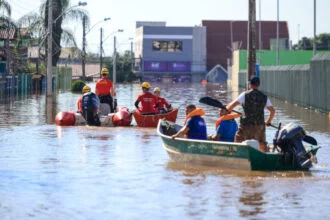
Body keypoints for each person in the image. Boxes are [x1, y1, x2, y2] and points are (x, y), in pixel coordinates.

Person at [226, 76, 275, 152]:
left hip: (246, 127)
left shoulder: (245, 95)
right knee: (262, 144)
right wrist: (268, 122)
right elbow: (272, 111)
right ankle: (265, 157)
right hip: (260, 127)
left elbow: (231, 106)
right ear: (258, 85)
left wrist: (228, 109)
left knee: (238, 138)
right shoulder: (264, 97)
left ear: (250, 85)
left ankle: (236, 155)